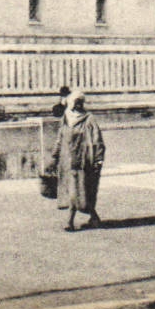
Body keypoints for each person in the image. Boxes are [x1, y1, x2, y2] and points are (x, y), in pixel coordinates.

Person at [50, 90, 105, 231]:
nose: (79, 105)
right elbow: (60, 138)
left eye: (81, 102)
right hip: (66, 160)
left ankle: (69, 220)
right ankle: (94, 218)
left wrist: (98, 159)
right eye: (76, 102)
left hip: (83, 160)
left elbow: (97, 140)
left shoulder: (89, 118)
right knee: (78, 191)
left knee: (78, 190)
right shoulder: (66, 118)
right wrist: (54, 156)